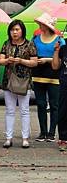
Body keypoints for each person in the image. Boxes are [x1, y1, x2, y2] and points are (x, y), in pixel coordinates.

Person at [0, 20, 37, 148]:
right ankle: (8, 138)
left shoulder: (29, 44)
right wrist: (7, 60)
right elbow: (0, 60)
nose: (14, 32)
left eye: (17, 30)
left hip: (23, 81)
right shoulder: (6, 44)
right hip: (8, 81)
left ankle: (25, 138)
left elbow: (34, 62)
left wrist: (21, 61)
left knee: (24, 110)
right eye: (12, 30)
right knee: (9, 110)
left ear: (22, 31)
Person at [32, 13, 64, 142]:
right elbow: (31, 52)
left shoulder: (59, 40)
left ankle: (51, 133)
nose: (40, 26)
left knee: (54, 105)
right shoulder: (35, 38)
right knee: (40, 104)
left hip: (54, 75)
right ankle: (43, 131)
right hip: (38, 75)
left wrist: (47, 60)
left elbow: (62, 59)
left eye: (42, 24)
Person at [51, 41, 67, 151]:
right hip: (65, 83)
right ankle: (63, 138)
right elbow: (55, 66)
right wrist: (56, 50)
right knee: (63, 111)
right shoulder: (64, 48)